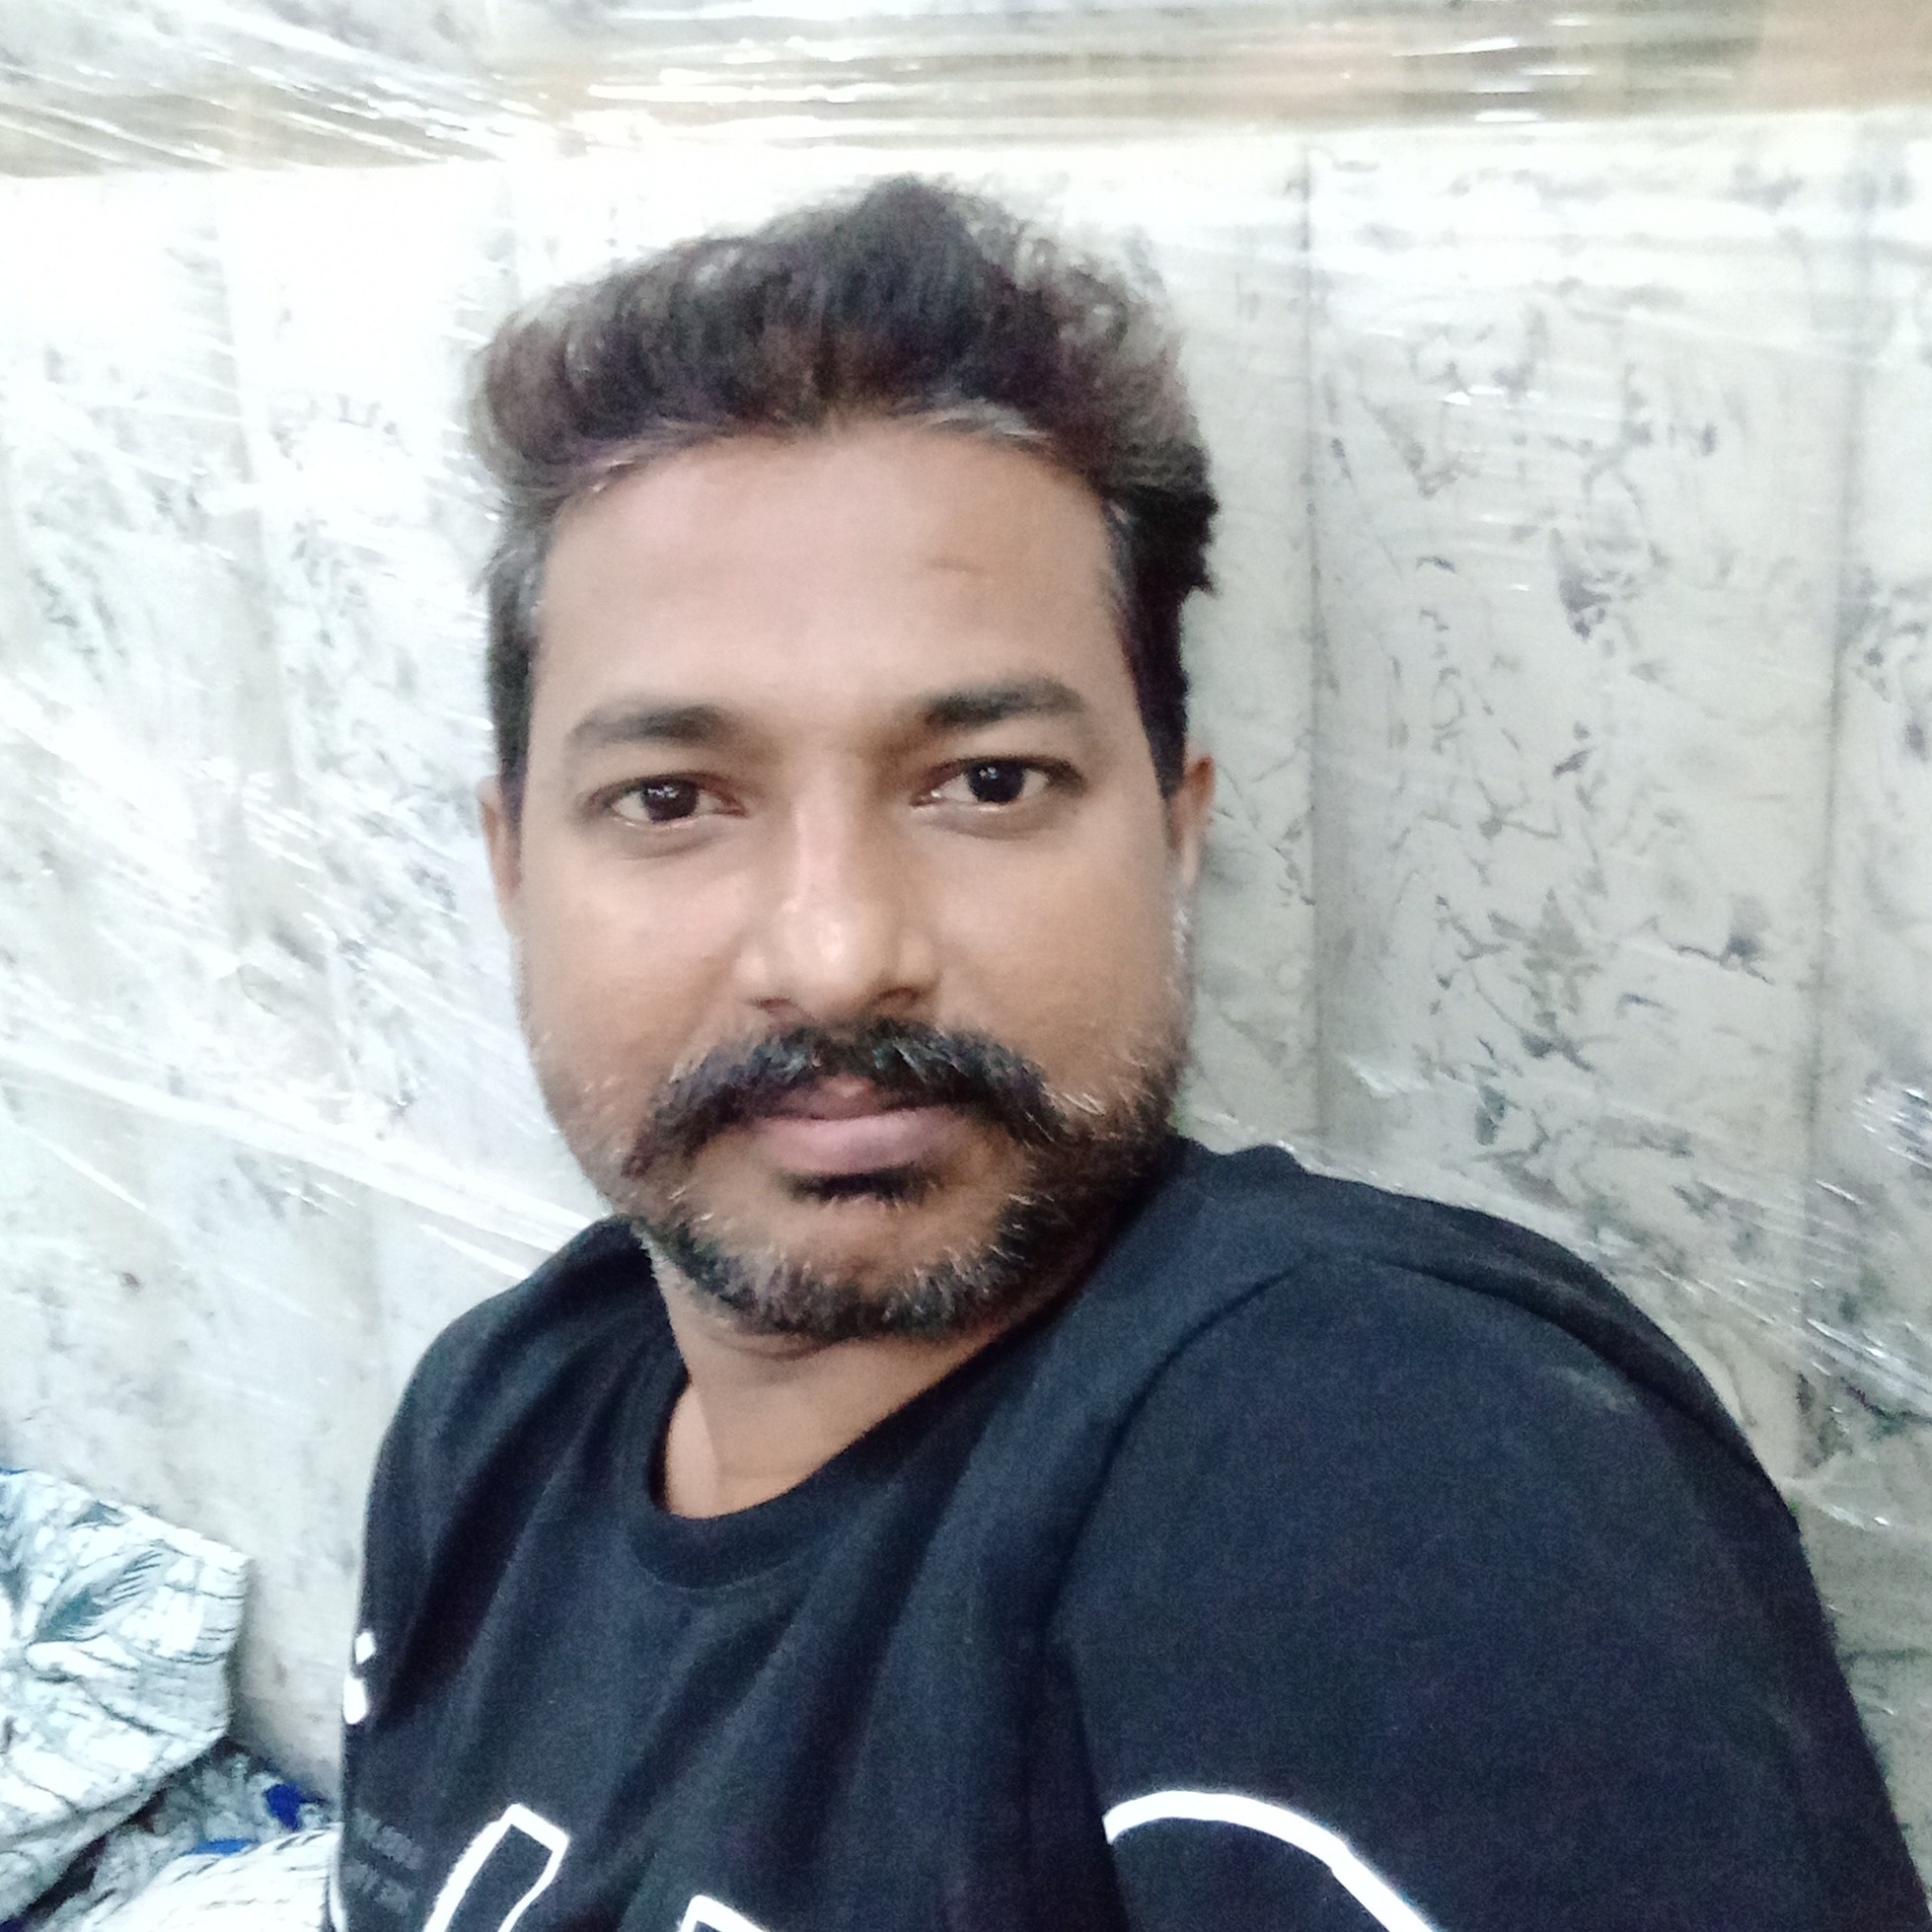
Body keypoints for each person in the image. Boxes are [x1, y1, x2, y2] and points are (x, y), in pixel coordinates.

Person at [328, 177, 1927, 1932]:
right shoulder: (492, 1422)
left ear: (1174, 836)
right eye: (672, 799)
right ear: (513, 868)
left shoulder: (1385, 1469)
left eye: (985, 781)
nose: (839, 954)